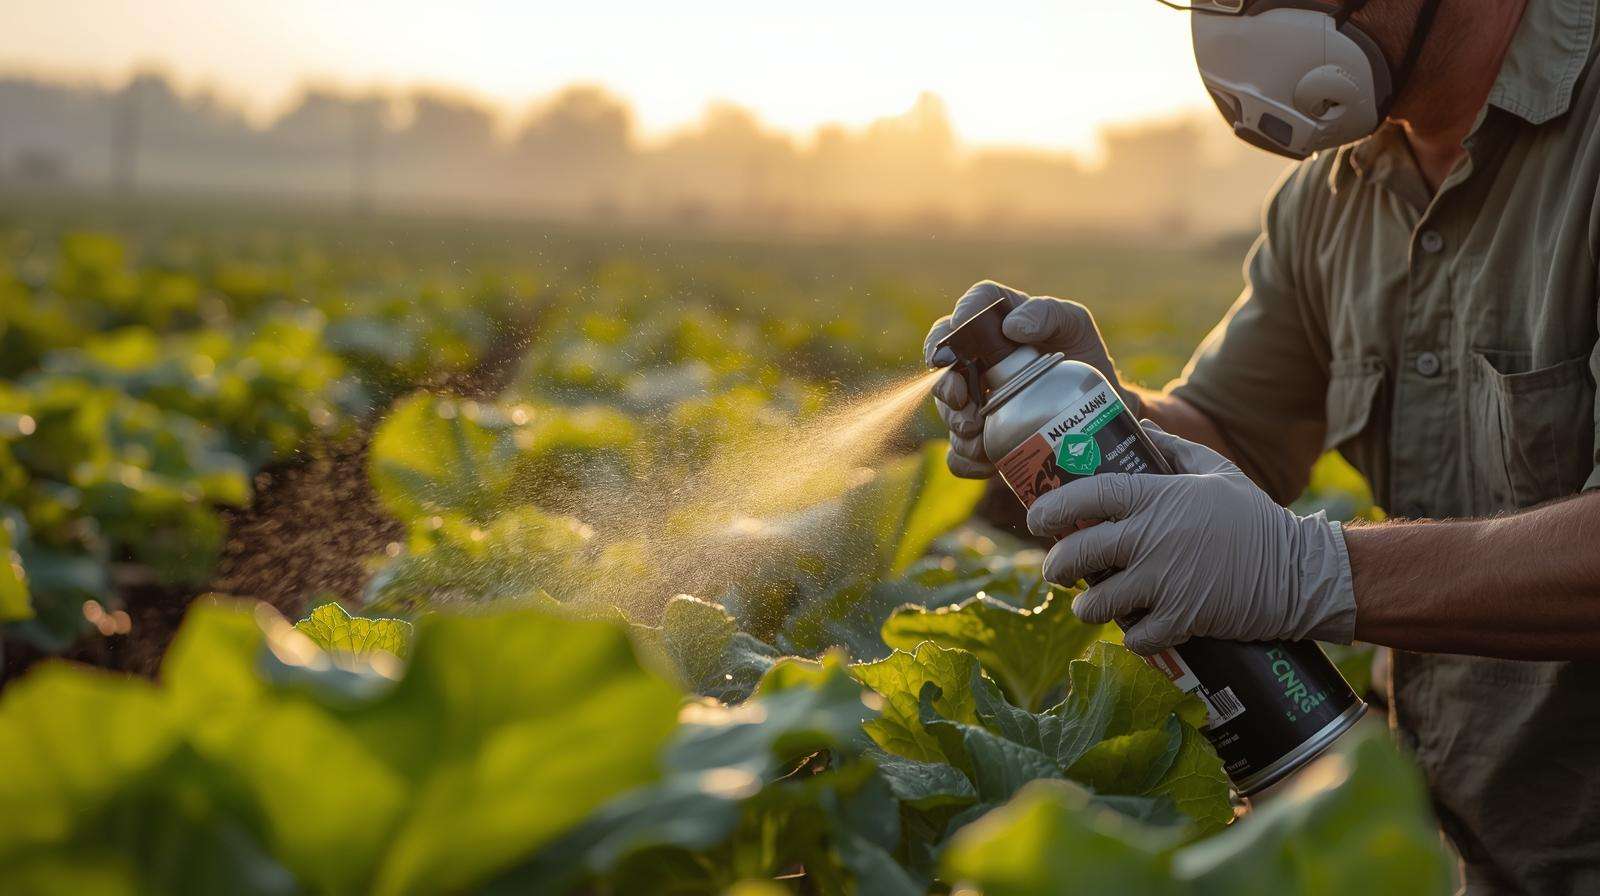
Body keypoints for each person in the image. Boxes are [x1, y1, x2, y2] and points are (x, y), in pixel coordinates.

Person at [925, 1, 1600, 893]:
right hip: (1444, 856)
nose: (1225, 18)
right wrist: (1096, 417)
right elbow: (1232, 432)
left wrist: (1317, 571)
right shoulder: (1335, 195)